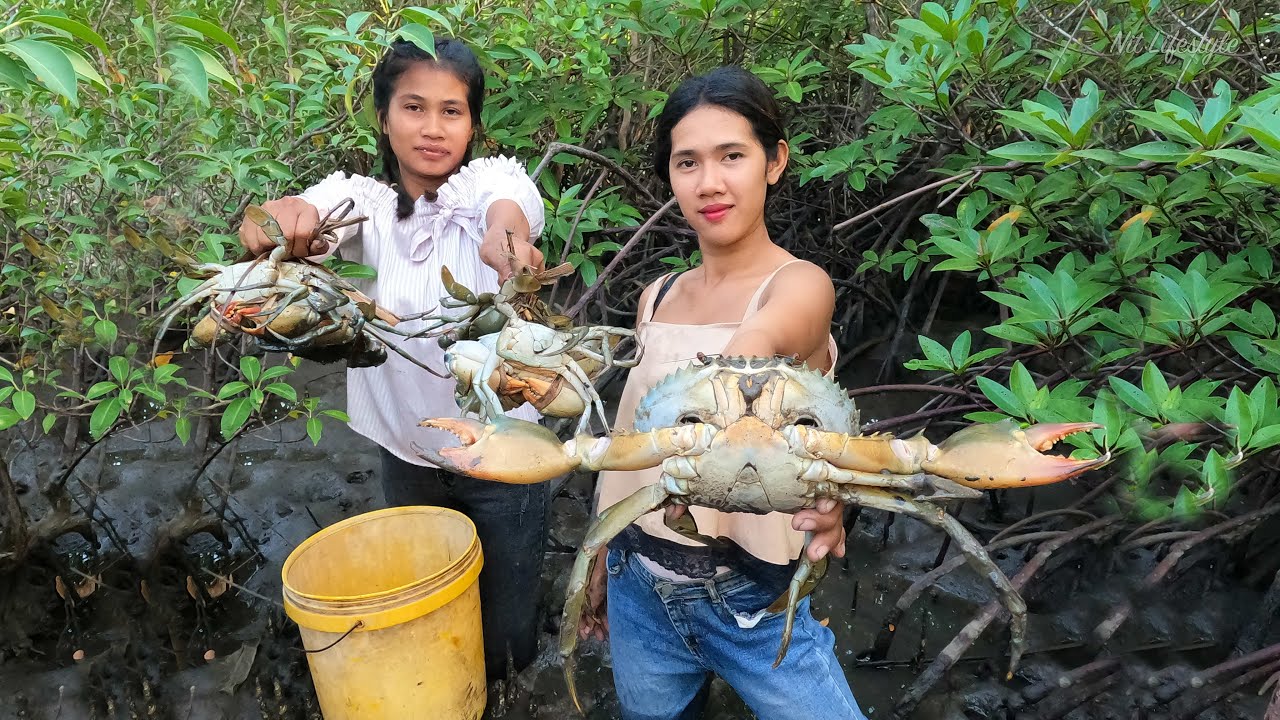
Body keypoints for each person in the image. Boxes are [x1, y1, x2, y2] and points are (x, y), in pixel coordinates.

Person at [237, 37, 550, 680]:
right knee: (427, 599)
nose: (433, 129)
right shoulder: (365, 206)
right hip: (408, 453)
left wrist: (505, 237)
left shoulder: (488, 189)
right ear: (384, 117)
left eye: (452, 111)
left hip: (506, 454)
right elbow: (302, 212)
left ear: (473, 124)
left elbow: (508, 206)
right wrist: (277, 220)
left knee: (508, 631)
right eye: (414, 107)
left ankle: (507, 683)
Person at [579, 66, 868, 719]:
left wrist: (835, 494)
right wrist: (598, 555)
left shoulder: (800, 287)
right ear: (670, 177)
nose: (709, 182)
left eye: (732, 156)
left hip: (756, 599)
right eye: (688, 162)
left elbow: (761, 342)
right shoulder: (658, 297)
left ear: (774, 161)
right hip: (639, 588)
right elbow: (626, 443)